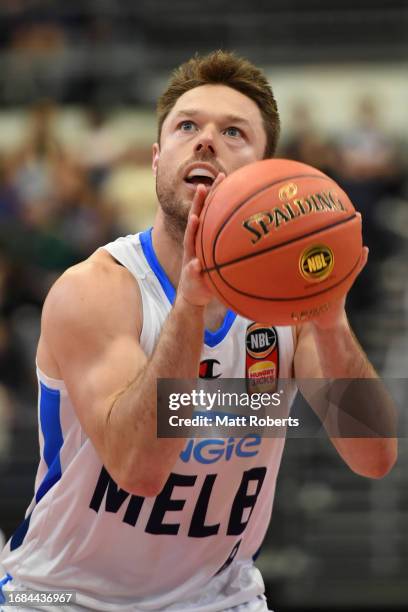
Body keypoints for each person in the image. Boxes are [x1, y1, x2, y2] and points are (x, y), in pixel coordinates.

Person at [0, 51, 397, 612]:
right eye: (188, 126)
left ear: (267, 172)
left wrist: (329, 319)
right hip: (64, 596)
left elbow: (374, 456)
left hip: (217, 598)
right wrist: (190, 304)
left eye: (233, 132)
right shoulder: (96, 290)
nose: (206, 140)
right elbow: (139, 470)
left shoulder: (289, 306)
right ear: (158, 159)